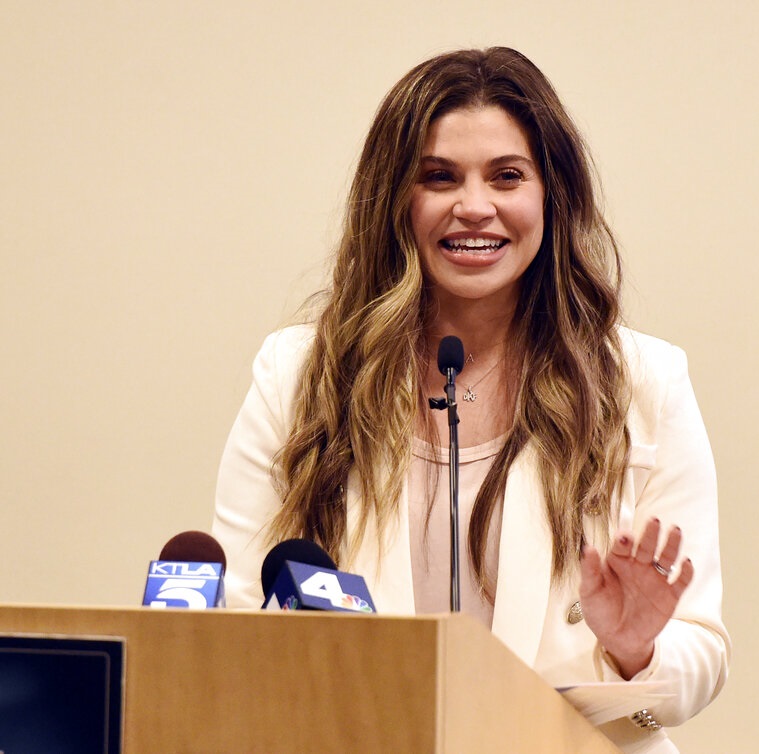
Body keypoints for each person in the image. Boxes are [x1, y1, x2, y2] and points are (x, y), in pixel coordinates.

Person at [213, 46, 729, 753]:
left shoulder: (643, 383)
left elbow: (700, 656)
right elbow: (233, 625)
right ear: (396, 199)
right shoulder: (300, 376)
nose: (475, 206)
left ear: (551, 195)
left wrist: (636, 652)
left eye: (507, 176)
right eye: (439, 177)